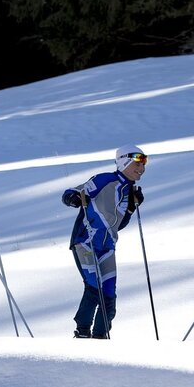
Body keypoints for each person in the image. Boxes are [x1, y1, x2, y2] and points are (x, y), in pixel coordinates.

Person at [62, 144, 147, 339]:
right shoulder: (105, 180)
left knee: (108, 294)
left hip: (107, 246)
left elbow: (118, 225)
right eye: (137, 164)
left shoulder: (129, 191)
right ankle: (82, 332)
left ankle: (101, 336)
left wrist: (132, 208)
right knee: (94, 287)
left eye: (144, 165)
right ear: (124, 161)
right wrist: (73, 198)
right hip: (86, 241)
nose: (141, 169)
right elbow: (71, 193)